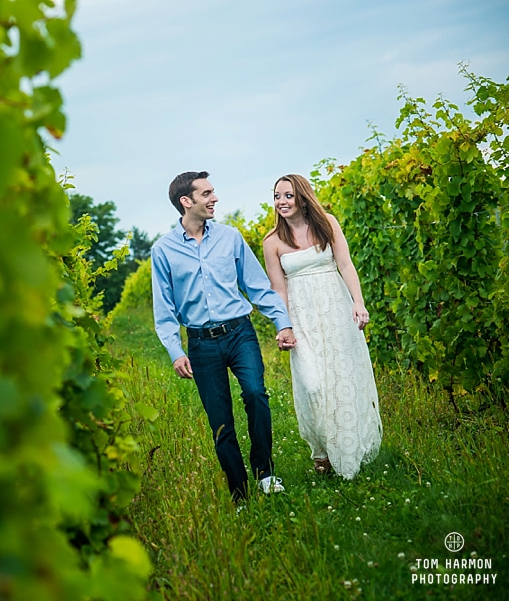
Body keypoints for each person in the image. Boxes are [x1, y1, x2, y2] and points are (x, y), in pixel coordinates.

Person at [151, 171, 296, 502]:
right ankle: (239, 490)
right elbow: (164, 310)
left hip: (239, 332)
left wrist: (281, 322)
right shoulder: (163, 250)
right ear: (186, 202)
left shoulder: (230, 238)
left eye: (213, 192)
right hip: (201, 343)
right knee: (220, 420)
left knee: (256, 395)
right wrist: (175, 351)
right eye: (206, 193)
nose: (214, 198)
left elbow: (258, 287)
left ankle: (265, 472)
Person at [262, 174, 383, 479]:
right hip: (303, 319)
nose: (281, 202)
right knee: (312, 384)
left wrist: (358, 302)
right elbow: (278, 288)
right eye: (277, 196)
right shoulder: (272, 241)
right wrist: (283, 326)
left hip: (336, 310)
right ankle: (320, 448)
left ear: (302, 197)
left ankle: (342, 449)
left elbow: (345, 264)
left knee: (341, 378)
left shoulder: (327, 223)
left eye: (288, 195)